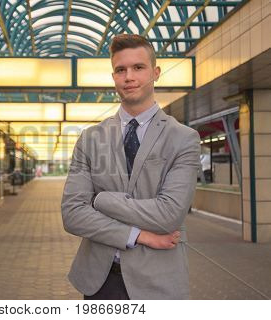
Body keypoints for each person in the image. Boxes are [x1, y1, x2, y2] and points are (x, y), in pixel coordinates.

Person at [61, 34, 200, 300]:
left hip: (157, 282)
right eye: (120, 70)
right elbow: (72, 214)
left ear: (156, 73)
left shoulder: (183, 138)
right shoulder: (90, 138)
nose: (129, 77)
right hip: (99, 281)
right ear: (113, 76)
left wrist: (100, 200)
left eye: (138, 67)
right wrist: (141, 235)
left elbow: (168, 214)